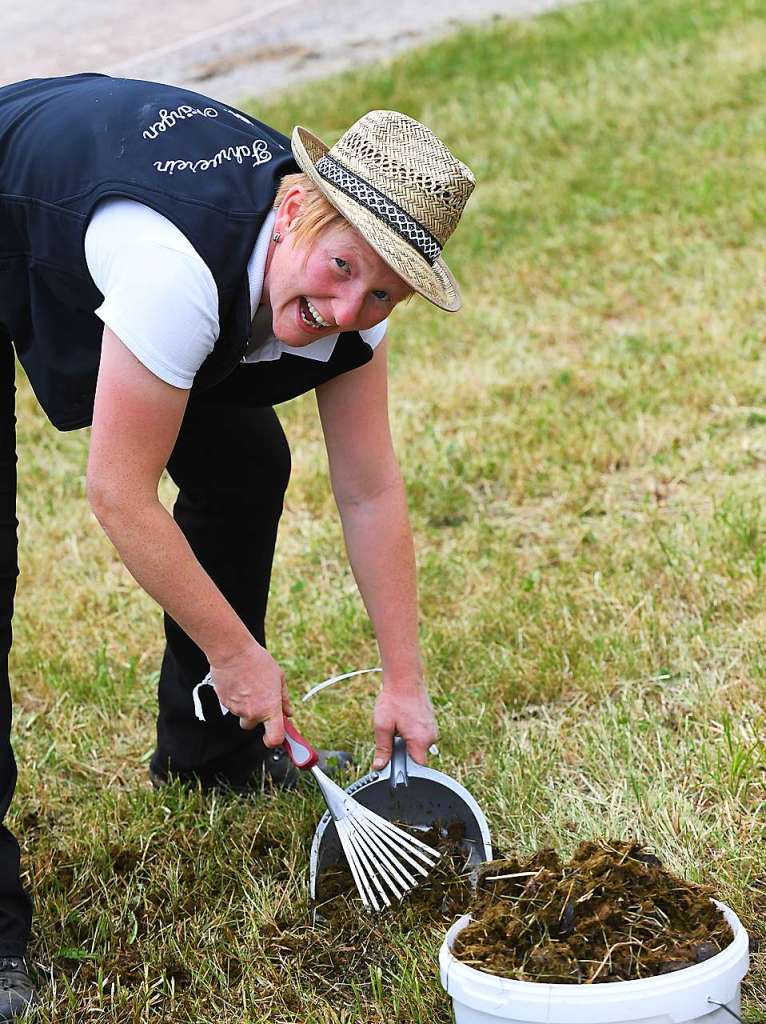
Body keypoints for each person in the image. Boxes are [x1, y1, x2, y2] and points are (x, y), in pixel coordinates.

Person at [0, 72, 475, 1018]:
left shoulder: (354, 313)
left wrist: (403, 676)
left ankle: (210, 750)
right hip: (26, 189)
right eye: (344, 271)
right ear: (298, 205)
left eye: (382, 294)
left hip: (114, 191)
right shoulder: (177, 267)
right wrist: (236, 651)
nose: (349, 309)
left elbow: (370, 489)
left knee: (245, 461)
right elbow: (118, 495)